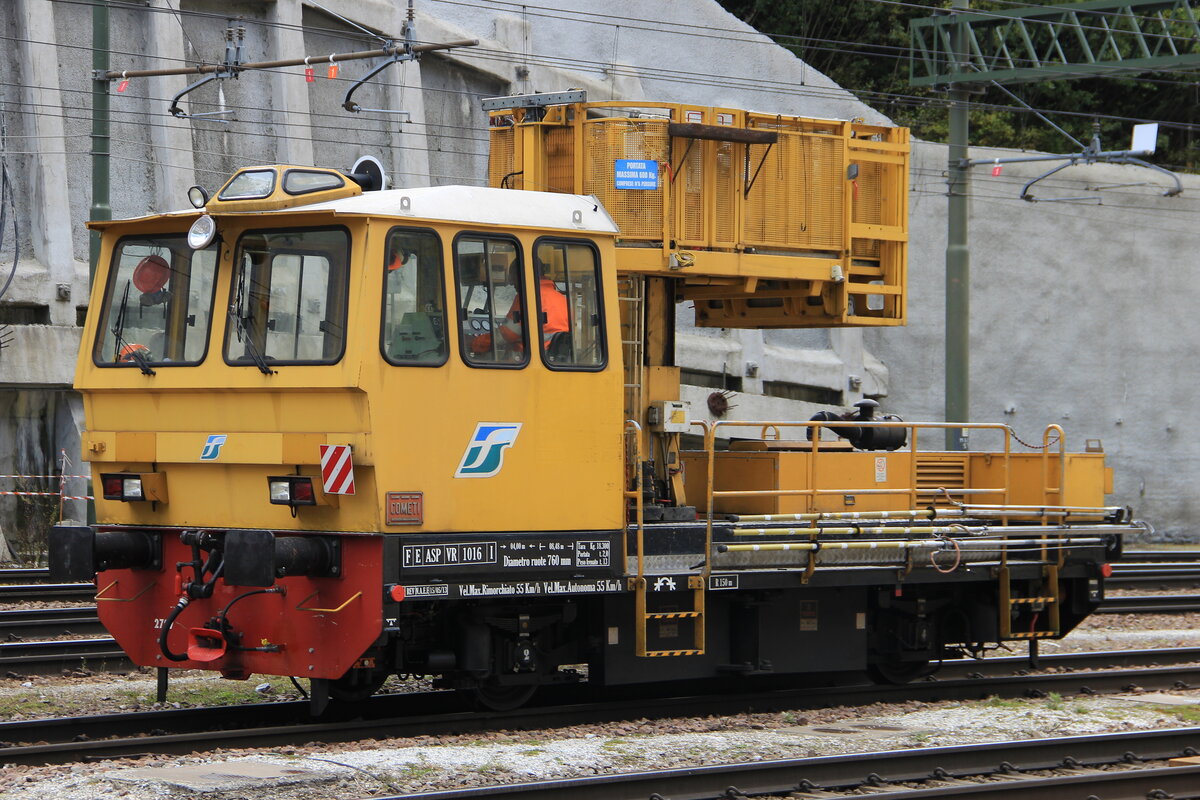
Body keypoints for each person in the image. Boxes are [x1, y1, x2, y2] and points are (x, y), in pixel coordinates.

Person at [471, 260, 568, 357]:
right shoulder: (561, 299)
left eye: (513, 277)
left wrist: (475, 343)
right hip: (551, 358)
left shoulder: (527, 297)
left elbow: (508, 334)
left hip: (525, 357)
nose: (512, 283)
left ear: (522, 274)